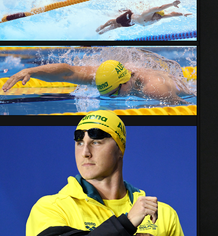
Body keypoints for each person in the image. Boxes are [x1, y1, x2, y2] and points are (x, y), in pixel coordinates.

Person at [26, 110, 185, 236]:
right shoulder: (51, 208)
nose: (85, 153)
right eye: (80, 143)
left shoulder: (161, 214)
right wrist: (127, 224)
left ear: (120, 149)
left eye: (96, 142)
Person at [2, 59, 195, 104]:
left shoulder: (154, 89)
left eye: (113, 94)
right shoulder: (106, 74)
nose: (112, 98)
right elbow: (68, 72)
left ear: (124, 82)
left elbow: (186, 106)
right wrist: (30, 70)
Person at [96, 0, 192, 35]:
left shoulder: (159, 17)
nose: (158, 18)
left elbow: (172, 14)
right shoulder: (148, 14)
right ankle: (103, 26)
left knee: (118, 26)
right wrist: (172, 4)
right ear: (154, 14)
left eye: (160, 16)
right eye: (158, 16)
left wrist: (183, 14)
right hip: (129, 16)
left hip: (133, 23)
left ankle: (104, 31)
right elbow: (160, 7)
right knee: (115, 21)